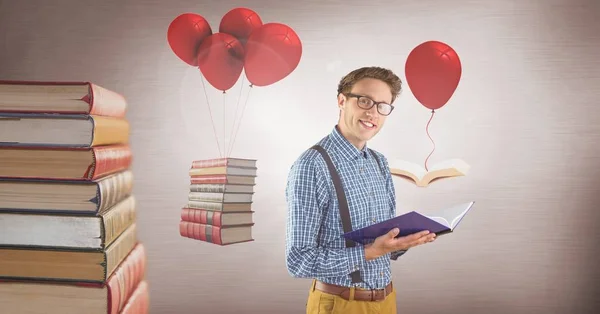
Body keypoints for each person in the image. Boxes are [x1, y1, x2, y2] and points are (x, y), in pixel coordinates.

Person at [285, 66, 437, 314]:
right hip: (340, 305)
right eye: (365, 101)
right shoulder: (312, 165)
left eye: (382, 106)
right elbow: (298, 261)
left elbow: (383, 246)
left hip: (387, 301)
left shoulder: (379, 162)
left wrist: (405, 240)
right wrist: (371, 251)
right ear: (342, 101)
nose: (373, 112)